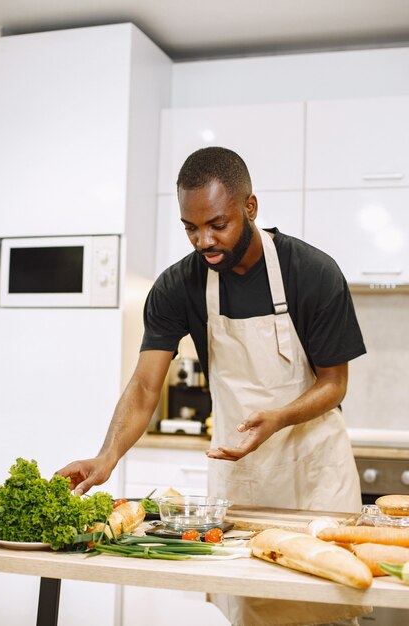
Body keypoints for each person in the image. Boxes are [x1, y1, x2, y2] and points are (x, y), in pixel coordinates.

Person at [58, 147, 370, 626]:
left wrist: (281, 416)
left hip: (317, 477)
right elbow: (145, 387)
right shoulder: (178, 286)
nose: (204, 240)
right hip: (240, 479)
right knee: (253, 610)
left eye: (217, 224)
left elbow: (335, 383)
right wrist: (106, 458)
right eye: (190, 227)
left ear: (250, 207)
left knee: (326, 608)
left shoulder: (313, 273)